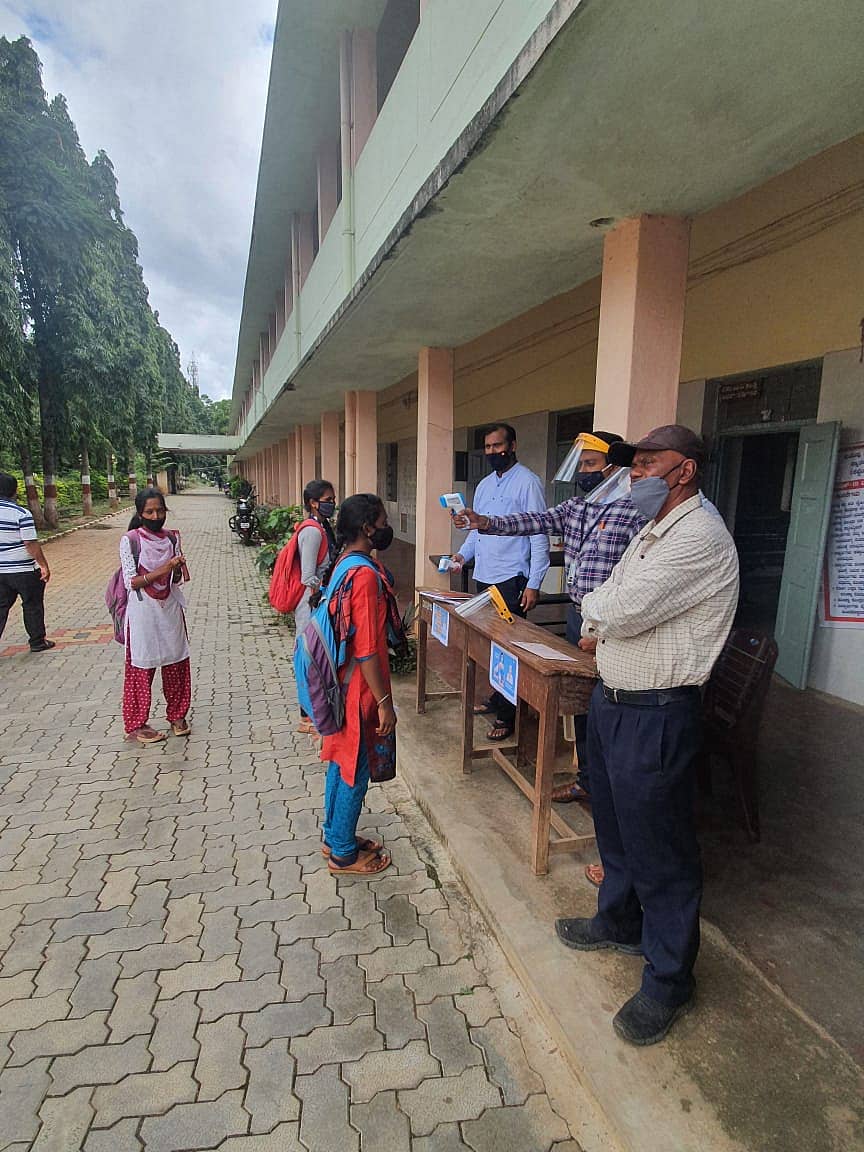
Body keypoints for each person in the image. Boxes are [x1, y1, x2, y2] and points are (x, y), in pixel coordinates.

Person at [555, 425, 739, 1047]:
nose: (633, 474)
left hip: (657, 714)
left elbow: (618, 607)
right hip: (614, 702)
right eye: (632, 465)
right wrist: (600, 613)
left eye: (647, 464)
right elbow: (596, 590)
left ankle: (667, 980)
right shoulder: (654, 531)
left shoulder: (699, 538)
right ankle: (619, 921)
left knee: (661, 849)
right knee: (614, 823)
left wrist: (599, 618)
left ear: (683, 470)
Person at [454, 431, 644, 797]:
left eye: (590, 465)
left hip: (612, 626)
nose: (583, 473)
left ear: (614, 469)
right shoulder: (577, 507)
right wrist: (487, 523)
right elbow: (532, 521)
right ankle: (587, 778)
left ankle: (609, 785)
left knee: (609, 707)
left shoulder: (633, 511)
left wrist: (536, 582)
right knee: (583, 701)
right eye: (581, 464)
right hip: (578, 616)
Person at [450, 424, 549, 741]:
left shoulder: (528, 483)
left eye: (498, 445)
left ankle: (510, 715)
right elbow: (475, 532)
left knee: (510, 647)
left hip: (511, 579)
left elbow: (538, 534)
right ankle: (498, 697)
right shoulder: (483, 485)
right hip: (484, 577)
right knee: (491, 645)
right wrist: (462, 557)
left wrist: (534, 582)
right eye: (488, 447)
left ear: (513, 445)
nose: (492, 451)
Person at [320, 494, 401, 876]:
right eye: (383, 522)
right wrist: (384, 702)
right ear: (368, 528)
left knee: (340, 761)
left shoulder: (345, 564)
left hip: (341, 679)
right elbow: (367, 648)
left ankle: (334, 835)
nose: (386, 529)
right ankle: (343, 855)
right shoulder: (365, 574)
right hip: (360, 689)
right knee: (356, 767)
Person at [120, 487, 192, 745]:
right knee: (142, 664)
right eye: (150, 511)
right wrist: (165, 568)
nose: (156, 515)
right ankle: (137, 723)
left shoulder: (172, 539)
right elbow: (132, 582)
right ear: (140, 514)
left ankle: (177, 715)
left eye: (160, 510)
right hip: (142, 611)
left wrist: (176, 569)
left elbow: (175, 581)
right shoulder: (130, 540)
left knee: (176, 661)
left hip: (169, 608)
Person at [295, 479, 338, 735]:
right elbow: (307, 575)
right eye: (327, 500)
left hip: (315, 601)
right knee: (308, 656)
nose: (331, 504)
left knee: (314, 657)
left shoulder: (322, 526)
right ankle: (306, 716)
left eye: (332, 500)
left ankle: (311, 712)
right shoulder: (311, 531)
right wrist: (326, 589)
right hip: (309, 602)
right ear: (313, 503)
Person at [0, 473, 55, 653]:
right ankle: (37, 642)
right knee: (32, 605)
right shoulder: (21, 513)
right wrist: (44, 565)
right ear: (14, 491)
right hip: (24, 570)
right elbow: (30, 543)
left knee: (1, 607)